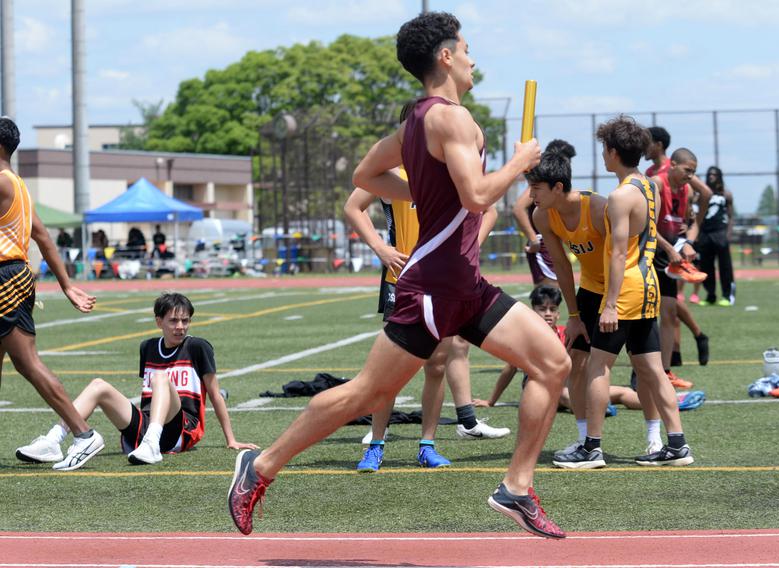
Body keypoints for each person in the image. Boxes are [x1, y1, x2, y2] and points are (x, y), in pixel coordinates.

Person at [227, 12, 570, 539]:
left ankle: (516, 489)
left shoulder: (415, 122)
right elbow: (479, 196)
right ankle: (261, 465)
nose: (475, 59)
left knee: (552, 362)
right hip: (434, 286)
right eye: (467, 48)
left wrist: (431, 192)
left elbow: (367, 176)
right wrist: (520, 161)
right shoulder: (450, 120)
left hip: (465, 285)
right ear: (446, 56)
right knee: (364, 394)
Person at [344, 152, 508, 472]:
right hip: (402, 281)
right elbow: (352, 206)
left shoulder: (450, 173)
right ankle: (376, 445)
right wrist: (380, 248)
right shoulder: (392, 172)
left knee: (436, 365)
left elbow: (490, 210)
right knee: (390, 370)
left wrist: (469, 248)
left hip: (442, 284)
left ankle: (427, 445)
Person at [573, 115, 693, 469]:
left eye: (604, 150)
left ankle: (591, 447)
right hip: (649, 287)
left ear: (612, 151)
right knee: (653, 370)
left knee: (598, 365)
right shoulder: (649, 185)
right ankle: (677, 444)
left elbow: (617, 251)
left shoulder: (620, 195)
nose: (603, 156)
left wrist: (609, 304)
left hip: (625, 290)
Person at [17, 293, 257, 467]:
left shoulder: (198, 347)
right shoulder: (148, 347)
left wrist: (231, 439)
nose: (180, 327)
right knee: (98, 385)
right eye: (173, 321)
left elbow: (215, 393)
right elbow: (147, 396)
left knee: (161, 378)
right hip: (144, 426)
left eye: (185, 321)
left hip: (180, 431)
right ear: (158, 321)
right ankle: (53, 440)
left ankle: (152, 445)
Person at [0, 116, 103, 471]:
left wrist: (67, 285)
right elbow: (42, 236)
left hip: (5, 280)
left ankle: (84, 434)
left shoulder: (1, 182)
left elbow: (42, 237)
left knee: (27, 363)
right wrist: (67, 285)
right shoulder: (18, 185)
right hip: (13, 277)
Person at [476, 286, 706, 417]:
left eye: (552, 309)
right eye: (541, 309)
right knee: (565, 396)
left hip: (571, 386)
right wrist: (491, 401)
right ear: (532, 311)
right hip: (542, 389)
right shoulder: (527, 337)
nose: (547, 313)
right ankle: (594, 408)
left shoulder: (568, 332)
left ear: (558, 314)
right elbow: (509, 369)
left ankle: (673, 403)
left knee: (623, 392)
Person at [523, 139, 608, 457]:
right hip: (590, 290)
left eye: (536, 189)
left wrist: (613, 302)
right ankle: (587, 441)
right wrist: (573, 316)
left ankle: (663, 439)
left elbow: (621, 257)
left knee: (646, 365)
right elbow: (561, 266)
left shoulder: (598, 207)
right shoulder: (543, 216)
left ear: (558, 187)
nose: (532, 196)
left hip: (624, 290)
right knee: (577, 363)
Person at [646, 126, 710, 371]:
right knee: (646, 316)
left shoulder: (685, 189)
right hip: (650, 254)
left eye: (693, 172)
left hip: (668, 256)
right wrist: (669, 247)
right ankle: (644, 369)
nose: (691, 176)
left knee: (669, 312)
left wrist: (688, 242)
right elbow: (646, 224)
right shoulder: (655, 181)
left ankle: (665, 371)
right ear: (673, 165)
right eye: (688, 171)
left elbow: (689, 219)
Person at [697, 166, 736, 306]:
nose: (711, 176)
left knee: (725, 267)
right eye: (709, 174)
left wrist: (728, 234)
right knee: (706, 267)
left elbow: (731, 216)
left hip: (720, 233)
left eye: (714, 174)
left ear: (719, 176)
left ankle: (727, 296)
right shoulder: (702, 193)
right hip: (705, 234)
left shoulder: (726, 194)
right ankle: (710, 295)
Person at [512, 187, 558, 288]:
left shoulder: (555, 182)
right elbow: (518, 209)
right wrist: (534, 240)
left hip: (551, 243)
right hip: (542, 244)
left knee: (552, 296)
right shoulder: (538, 183)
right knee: (548, 297)